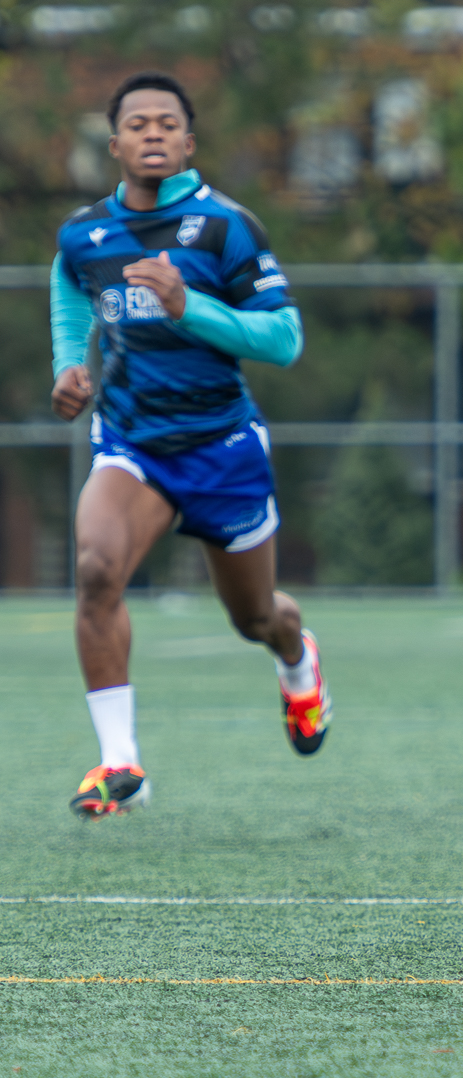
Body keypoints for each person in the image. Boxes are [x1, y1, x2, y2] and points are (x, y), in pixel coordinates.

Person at [50, 71, 332, 820]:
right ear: (113, 143)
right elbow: (70, 292)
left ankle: (297, 659)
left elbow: (284, 339)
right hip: (133, 446)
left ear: (188, 141)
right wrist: (70, 370)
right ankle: (119, 763)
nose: (151, 133)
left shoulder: (225, 228)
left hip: (222, 447)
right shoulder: (86, 234)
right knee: (95, 568)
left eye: (166, 123)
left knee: (254, 620)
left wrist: (189, 306)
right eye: (136, 123)